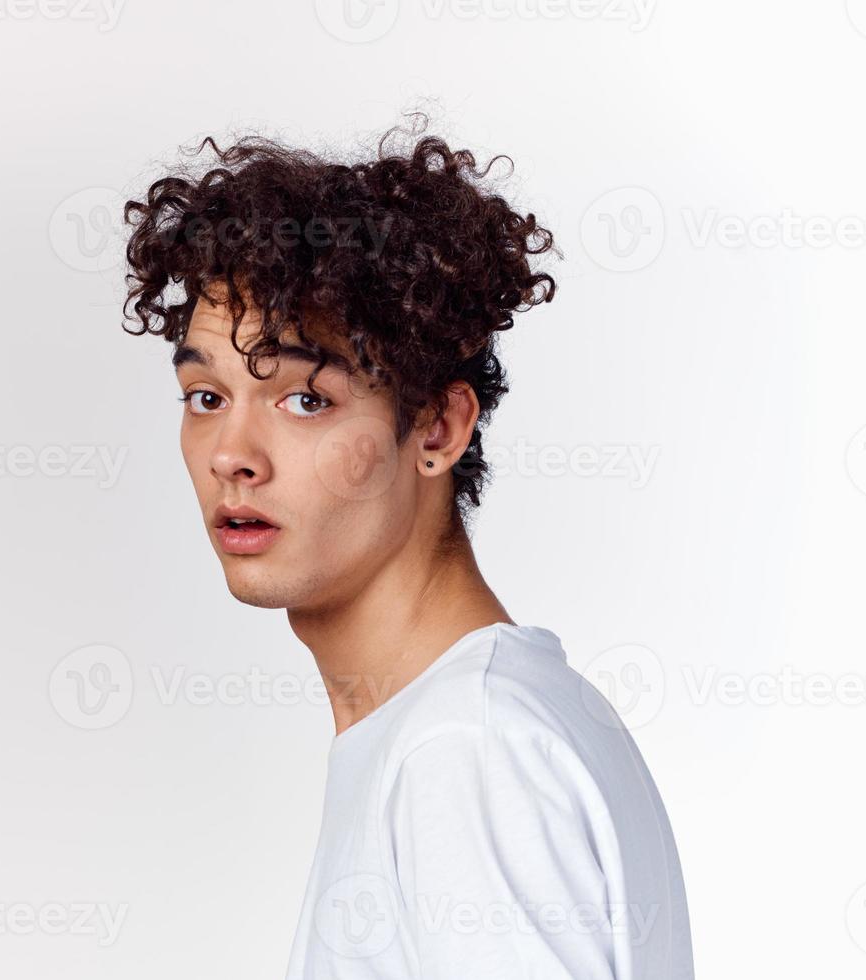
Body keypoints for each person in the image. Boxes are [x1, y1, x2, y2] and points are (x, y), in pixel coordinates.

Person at [119, 118, 693, 979]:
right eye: (205, 395)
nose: (231, 452)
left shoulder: (465, 750)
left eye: (304, 400)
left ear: (437, 427)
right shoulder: (465, 725)